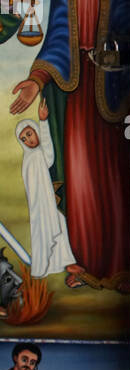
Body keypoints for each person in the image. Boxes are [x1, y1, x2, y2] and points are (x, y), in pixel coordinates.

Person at [9, 0, 130, 289]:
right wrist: (38, 80)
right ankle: (84, 261)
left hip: (114, 96)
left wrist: (117, 55)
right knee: (79, 180)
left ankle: (119, 265)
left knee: (114, 179)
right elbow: (59, 36)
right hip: (75, 97)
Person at [15, 100, 77, 280]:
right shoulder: (30, 159)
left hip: (47, 202)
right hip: (40, 207)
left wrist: (43, 122)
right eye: (24, 139)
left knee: (59, 224)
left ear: (34, 130)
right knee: (47, 232)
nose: (29, 139)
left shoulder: (37, 154)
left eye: (29, 133)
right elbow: (46, 160)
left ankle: (64, 262)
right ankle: (44, 267)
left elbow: (48, 156)